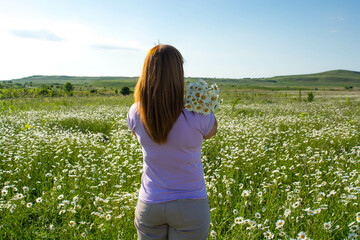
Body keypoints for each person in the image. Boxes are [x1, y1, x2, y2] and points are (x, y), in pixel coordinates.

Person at [127, 44, 217, 240]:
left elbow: (139, 135)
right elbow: (211, 132)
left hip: (150, 205)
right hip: (190, 205)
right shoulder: (197, 112)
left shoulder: (136, 111)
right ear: (179, 73)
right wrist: (205, 103)